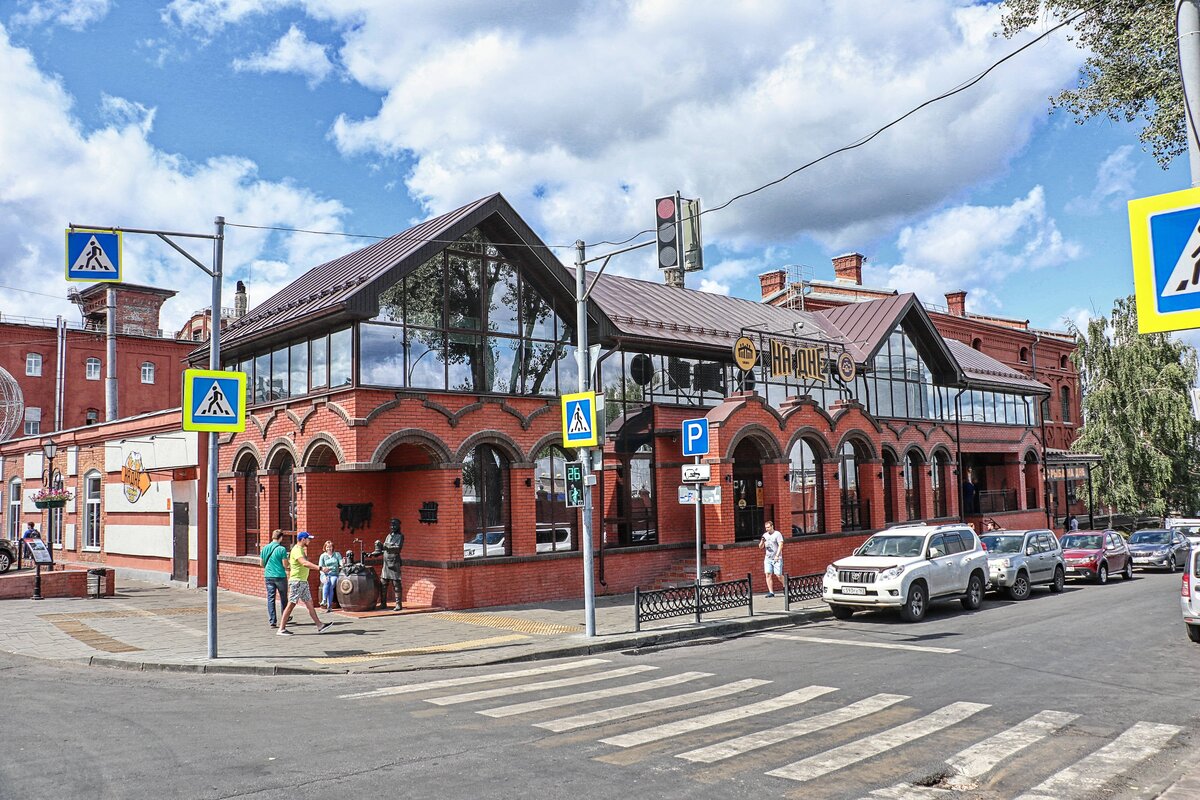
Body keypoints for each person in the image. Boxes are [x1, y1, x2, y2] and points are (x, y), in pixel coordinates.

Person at [278, 532, 331, 636]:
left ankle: (320, 625)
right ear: (302, 539)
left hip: (303, 582)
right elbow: (304, 563)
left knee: (310, 604)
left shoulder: (301, 550)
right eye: (308, 539)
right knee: (291, 604)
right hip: (297, 582)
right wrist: (320, 568)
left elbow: (305, 565)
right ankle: (281, 629)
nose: (309, 541)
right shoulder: (297, 550)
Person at [260, 529, 289, 628]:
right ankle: (285, 617)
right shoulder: (281, 549)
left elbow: (261, 564)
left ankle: (272, 621)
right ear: (281, 538)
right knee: (283, 598)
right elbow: (285, 565)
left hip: (268, 576)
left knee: (270, 598)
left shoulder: (265, 548)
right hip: (280, 576)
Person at [379, 518, 404, 611]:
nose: (392, 527)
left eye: (394, 525)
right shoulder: (388, 536)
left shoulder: (400, 536)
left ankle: (398, 604)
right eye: (391, 525)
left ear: (398, 526)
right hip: (385, 563)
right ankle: (383, 603)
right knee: (383, 583)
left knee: (396, 583)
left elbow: (397, 548)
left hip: (394, 562)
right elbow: (383, 549)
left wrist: (386, 546)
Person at [758, 520, 784, 598]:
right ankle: (771, 592)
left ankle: (785, 585)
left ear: (772, 526)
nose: (767, 529)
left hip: (777, 558)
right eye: (766, 528)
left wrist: (777, 555)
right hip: (768, 558)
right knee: (768, 574)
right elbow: (760, 547)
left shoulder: (777, 534)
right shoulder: (765, 535)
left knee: (778, 575)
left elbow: (781, 545)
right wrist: (762, 542)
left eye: (768, 527)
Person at [318, 540, 342, 612]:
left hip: (334, 573)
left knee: (331, 585)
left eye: (330, 547)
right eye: (327, 547)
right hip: (325, 574)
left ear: (333, 547)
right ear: (325, 548)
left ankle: (329, 606)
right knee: (327, 582)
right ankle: (324, 600)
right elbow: (320, 567)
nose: (329, 548)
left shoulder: (337, 554)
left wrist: (342, 563)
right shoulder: (323, 556)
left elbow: (340, 562)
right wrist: (324, 575)